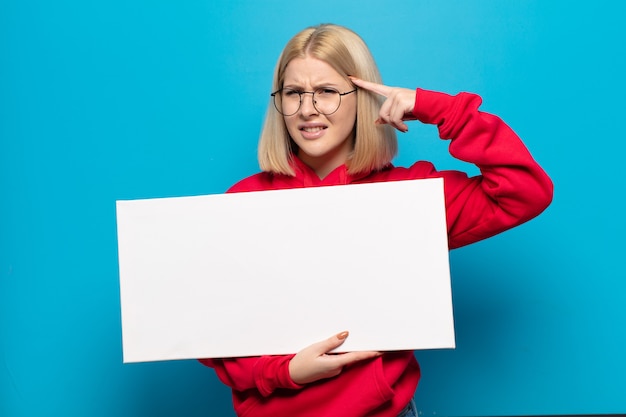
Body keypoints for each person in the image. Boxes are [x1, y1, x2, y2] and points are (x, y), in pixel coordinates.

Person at [199, 23, 553, 417]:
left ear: (362, 95)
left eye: (327, 92)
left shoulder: (409, 195)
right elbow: (208, 331)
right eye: (294, 93)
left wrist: (436, 107)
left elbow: (524, 190)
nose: (307, 109)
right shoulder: (242, 201)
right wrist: (284, 372)